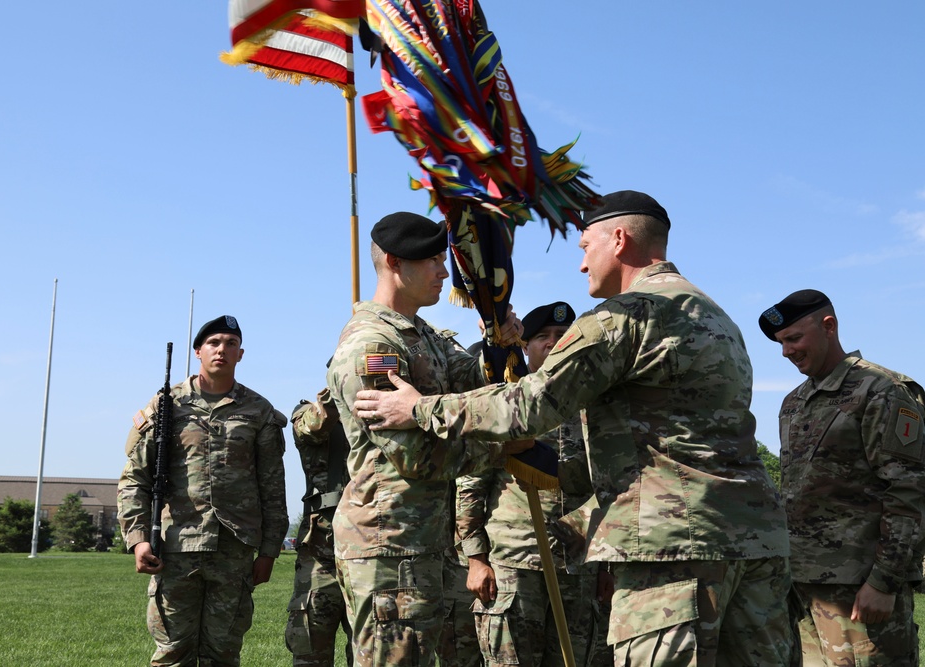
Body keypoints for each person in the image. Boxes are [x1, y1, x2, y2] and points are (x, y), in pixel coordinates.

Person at [353, 191, 793, 666]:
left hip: (672, 553)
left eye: (585, 246)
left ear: (619, 239)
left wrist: (421, 409)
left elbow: (533, 404)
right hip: (755, 543)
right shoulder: (716, 317)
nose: (582, 264)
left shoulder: (624, 317)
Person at [326, 211, 532, 667]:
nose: (444, 272)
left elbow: (467, 380)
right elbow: (416, 456)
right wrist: (504, 447)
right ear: (397, 263)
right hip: (390, 545)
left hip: (423, 543)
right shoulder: (373, 347)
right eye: (434, 261)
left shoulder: (423, 336)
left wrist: (499, 344)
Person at [759, 289, 925, 665]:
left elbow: (908, 491)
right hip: (802, 589)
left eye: (794, 338)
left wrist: (884, 582)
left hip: (859, 590)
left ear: (828, 326)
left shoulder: (882, 391)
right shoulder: (794, 402)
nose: (787, 351)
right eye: (781, 343)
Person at [117, 315, 289, 666]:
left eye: (230, 343)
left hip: (234, 550)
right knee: (172, 653)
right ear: (198, 352)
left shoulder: (259, 412)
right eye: (213, 343)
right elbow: (136, 478)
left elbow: (272, 485)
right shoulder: (167, 406)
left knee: (223, 653)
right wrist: (137, 539)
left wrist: (270, 550)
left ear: (241, 353)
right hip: (177, 546)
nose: (221, 350)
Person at [457, 301, 598, 666]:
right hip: (514, 561)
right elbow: (472, 480)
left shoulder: (595, 404)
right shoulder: (506, 401)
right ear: (526, 347)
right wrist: (476, 558)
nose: (553, 343)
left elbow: (609, 485)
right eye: (542, 337)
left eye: (562, 336)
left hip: (578, 564)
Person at [286, 387, 353, 667]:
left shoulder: (387, 410)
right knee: (311, 646)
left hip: (375, 549)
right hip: (321, 551)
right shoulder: (308, 412)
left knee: (374, 652)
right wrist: (341, 387)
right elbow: (314, 426)